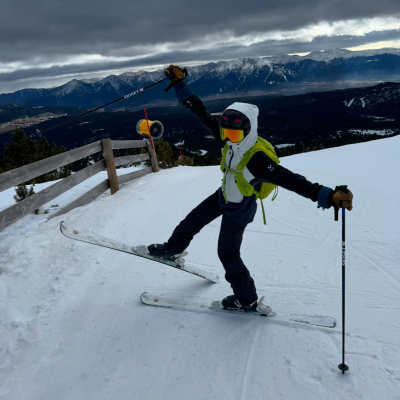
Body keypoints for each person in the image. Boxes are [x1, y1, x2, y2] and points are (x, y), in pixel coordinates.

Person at [146, 65, 353, 313]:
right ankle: (173, 249)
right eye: (227, 132)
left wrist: (329, 196)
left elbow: (293, 181)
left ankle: (247, 299)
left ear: (249, 130)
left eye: (235, 133)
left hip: (240, 207)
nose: (229, 137)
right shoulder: (228, 136)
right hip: (224, 195)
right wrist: (180, 85)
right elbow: (200, 111)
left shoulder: (258, 160)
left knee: (227, 253)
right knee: (191, 221)